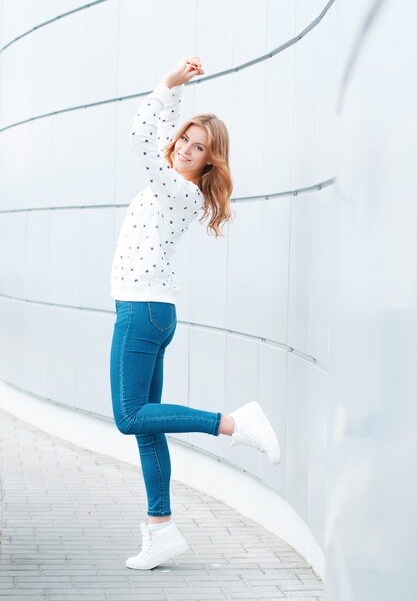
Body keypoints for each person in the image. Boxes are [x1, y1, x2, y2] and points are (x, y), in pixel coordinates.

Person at [110, 56, 281, 571]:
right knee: (146, 425)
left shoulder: (176, 189)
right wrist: (180, 95)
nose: (185, 146)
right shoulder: (176, 185)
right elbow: (160, 135)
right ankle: (160, 530)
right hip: (150, 310)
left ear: (210, 162)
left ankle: (231, 423)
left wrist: (163, 83)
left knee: (128, 417)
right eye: (185, 138)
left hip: (141, 312)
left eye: (198, 146)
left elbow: (142, 135)